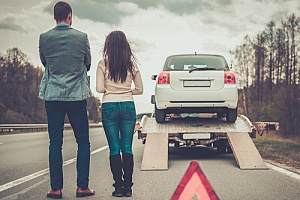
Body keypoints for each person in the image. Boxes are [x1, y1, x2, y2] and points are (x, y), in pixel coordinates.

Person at [38, 1, 95, 199]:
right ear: (70, 16)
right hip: (76, 96)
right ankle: (82, 187)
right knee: (83, 142)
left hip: (53, 96)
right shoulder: (82, 37)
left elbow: (45, 62)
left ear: (55, 17)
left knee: (55, 142)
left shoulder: (44, 38)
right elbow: (87, 63)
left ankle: (56, 189)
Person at [96, 31, 143, 197]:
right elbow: (140, 89)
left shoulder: (103, 64)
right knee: (127, 147)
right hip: (128, 105)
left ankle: (118, 187)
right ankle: (128, 188)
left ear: (108, 46)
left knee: (114, 148)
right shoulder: (131, 65)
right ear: (125, 46)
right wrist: (126, 91)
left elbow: (100, 89)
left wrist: (111, 90)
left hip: (109, 106)